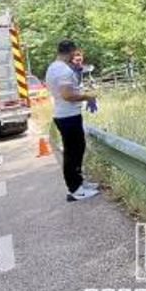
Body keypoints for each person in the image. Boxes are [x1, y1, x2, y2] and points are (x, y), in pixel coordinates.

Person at [45, 40, 100, 201]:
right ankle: (75, 190)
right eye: (74, 52)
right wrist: (87, 96)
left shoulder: (53, 67)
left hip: (64, 114)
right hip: (68, 116)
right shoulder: (64, 70)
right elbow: (67, 95)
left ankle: (79, 182)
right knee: (73, 153)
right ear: (71, 51)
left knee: (77, 149)